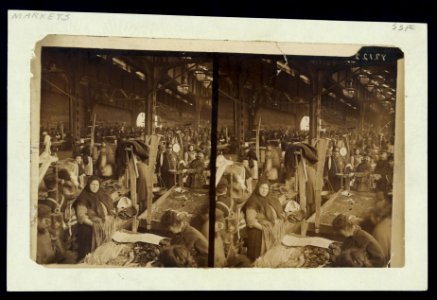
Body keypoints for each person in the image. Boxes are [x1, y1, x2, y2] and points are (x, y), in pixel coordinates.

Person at [73, 175, 116, 261]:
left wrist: (110, 216)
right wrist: (95, 225)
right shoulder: (83, 198)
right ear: (88, 185)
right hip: (88, 226)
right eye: (92, 184)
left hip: (101, 225)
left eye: (97, 185)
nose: (94, 187)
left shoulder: (102, 195)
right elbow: (81, 217)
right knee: (88, 253)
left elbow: (109, 209)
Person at [243, 180, 288, 261]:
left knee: (268, 258)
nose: (264, 190)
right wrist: (265, 229)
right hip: (257, 233)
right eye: (262, 188)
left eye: (266, 188)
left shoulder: (269, 199)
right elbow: (250, 221)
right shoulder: (253, 201)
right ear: (257, 188)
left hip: (268, 231)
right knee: (257, 259)